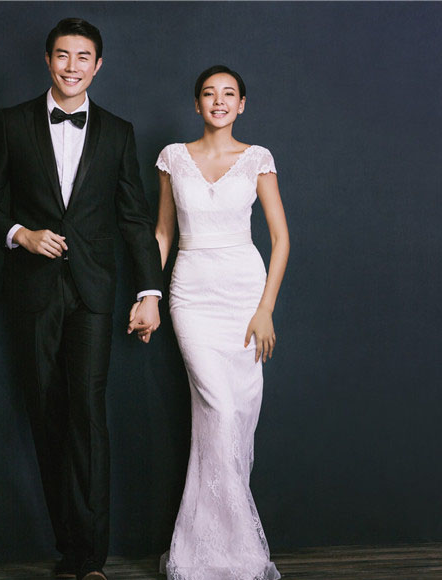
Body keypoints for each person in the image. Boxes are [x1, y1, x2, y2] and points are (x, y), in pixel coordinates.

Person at [0, 18, 162, 580]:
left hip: (94, 292)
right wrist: (20, 234)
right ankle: (69, 550)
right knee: (47, 416)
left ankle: (92, 561)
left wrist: (149, 291)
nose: (72, 66)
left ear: (98, 66)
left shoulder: (118, 132)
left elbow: (134, 218)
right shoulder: (11, 123)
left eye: (83, 57)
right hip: (32, 291)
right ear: (47, 60)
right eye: (62, 55)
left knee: (88, 416)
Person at [146, 65, 289, 580]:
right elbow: (163, 234)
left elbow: (281, 238)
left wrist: (265, 308)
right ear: (197, 103)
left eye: (229, 94)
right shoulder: (172, 158)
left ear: (242, 104)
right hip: (191, 294)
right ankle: (215, 550)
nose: (219, 101)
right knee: (219, 410)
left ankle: (215, 552)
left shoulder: (257, 159)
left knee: (235, 416)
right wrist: (149, 295)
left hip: (244, 296)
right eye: (209, 93)